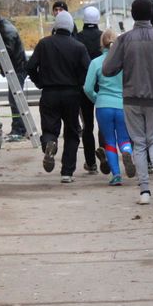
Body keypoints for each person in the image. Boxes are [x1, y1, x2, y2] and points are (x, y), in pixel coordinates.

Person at [102, 0, 153, 205]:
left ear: (132, 14)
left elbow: (107, 69)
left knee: (138, 142)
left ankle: (144, 191)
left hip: (131, 97)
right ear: (152, 14)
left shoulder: (123, 40)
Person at [26, 11, 90, 183]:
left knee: (49, 128)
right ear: (71, 27)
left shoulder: (44, 44)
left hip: (49, 93)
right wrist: (80, 84)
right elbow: (88, 69)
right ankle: (67, 173)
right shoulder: (79, 47)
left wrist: (39, 82)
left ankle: (49, 143)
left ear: (55, 26)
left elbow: (30, 66)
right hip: (72, 94)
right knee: (72, 132)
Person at [83, 29, 135, 186]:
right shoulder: (125, 61)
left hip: (104, 105)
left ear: (101, 44)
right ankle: (126, 152)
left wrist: (96, 98)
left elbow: (87, 87)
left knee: (109, 141)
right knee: (124, 138)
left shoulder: (96, 62)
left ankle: (116, 175)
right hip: (122, 104)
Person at [75, 6, 106, 174]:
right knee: (104, 124)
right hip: (103, 87)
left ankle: (91, 162)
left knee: (87, 125)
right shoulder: (103, 38)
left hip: (84, 87)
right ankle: (105, 153)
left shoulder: (77, 38)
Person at [0, 11, 28, 141]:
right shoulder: (3, 27)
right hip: (16, 68)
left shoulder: (5, 29)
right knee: (15, 100)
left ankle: (19, 130)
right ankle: (21, 128)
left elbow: (7, 49)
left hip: (17, 69)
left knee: (15, 100)